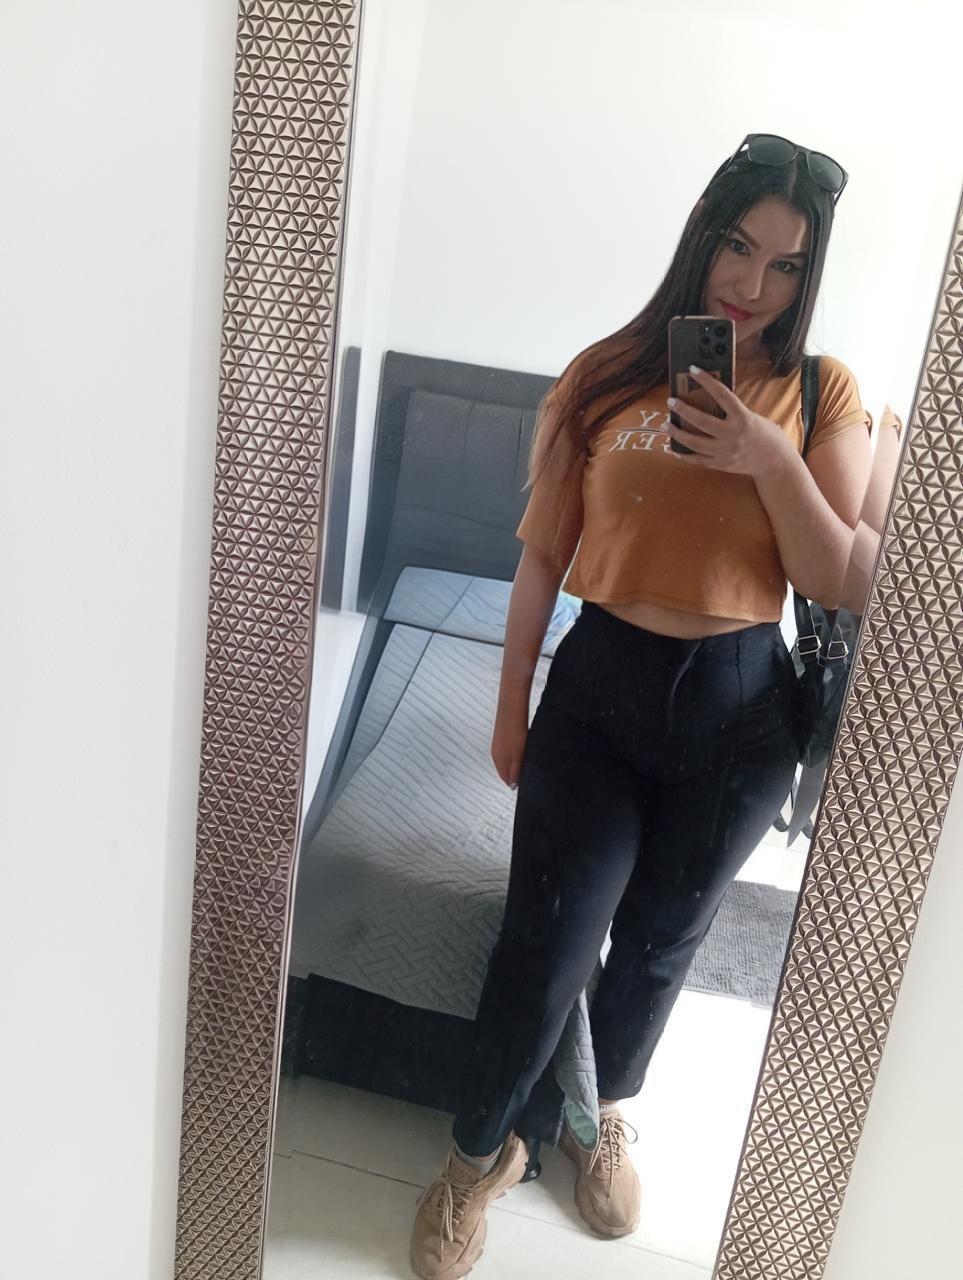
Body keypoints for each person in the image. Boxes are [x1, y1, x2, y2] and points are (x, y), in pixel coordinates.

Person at [410, 134, 873, 1280]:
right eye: (738, 246)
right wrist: (510, 706)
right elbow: (540, 557)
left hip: (743, 709)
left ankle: (600, 1108)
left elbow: (840, 572)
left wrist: (769, 458)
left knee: (665, 939)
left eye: (786, 265)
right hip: (601, 694)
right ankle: (476, 1155)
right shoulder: (605, 374)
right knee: (547, 940)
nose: (752, 283)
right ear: (702, 232)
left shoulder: (823, 393)